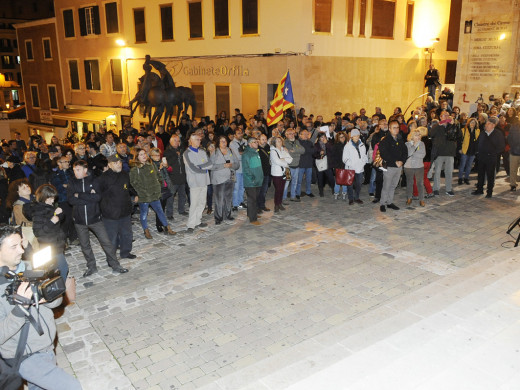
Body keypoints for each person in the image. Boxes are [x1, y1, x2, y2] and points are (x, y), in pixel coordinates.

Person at [0, 225, 83, 390]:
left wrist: (48, 296)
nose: (21, 250)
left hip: (46, 346)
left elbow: (56, 302)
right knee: (70, 387)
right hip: (24, 354)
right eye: (14, 247)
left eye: (21, 244)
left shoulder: (29, 268)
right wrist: (21, 307)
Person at [67, 160, 128, 277]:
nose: (75, 172)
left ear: (85, 170)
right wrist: (88, 195)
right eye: (74, 170)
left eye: (78, 169)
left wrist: (79, 194)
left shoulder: (94, 180)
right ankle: (91, 266)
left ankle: (115, 265)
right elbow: (71, 199)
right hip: (79, 220)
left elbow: (97, 197)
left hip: (95, 218)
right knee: (85, 245)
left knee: (106, 242)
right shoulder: (72, 182)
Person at [22, 184, 69, 279]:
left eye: (53, 198)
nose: (53, 200)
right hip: (50, 246)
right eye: (50, 198)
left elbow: (56, 218)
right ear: (44, 197)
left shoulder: (48, 207)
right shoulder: (39, 211)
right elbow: (38, 232)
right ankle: (57, 291)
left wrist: (59, 214)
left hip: (56, 244)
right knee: (63, 268)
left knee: (56, 270)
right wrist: (52, 222)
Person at [129, 149, 176, 239]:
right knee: (144, 213)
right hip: (144, 196)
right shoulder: (135, 169)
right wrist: (142, 192)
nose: (144, 156)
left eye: (144, 154)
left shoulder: (151, 165)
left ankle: (167, 227)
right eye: (141, 154)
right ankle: (146, 230)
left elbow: (158, 176)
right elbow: (133, 183)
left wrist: (158, 187)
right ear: (137, 157)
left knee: (160, 211)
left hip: (154, 194)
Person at [98, 154, 136, 259]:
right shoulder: (103, 178)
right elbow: (98, 194)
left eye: (119, 162)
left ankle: (125, 252)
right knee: (112, 238)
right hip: (111, 213)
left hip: (125, 210)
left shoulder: (124, 174)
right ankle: (111, 258)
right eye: (115, 163)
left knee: (127, 234)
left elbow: (128, 187)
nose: (119, 164)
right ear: (109, 165)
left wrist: (135, 194)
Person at [184, 133, 212, 232]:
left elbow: (210, 164)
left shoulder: (202, 151)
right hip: (194, 182)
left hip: (204, 181)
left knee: (202, 203)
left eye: (200, 140)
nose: (199, 141)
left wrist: (200, 166)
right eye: (197, 140)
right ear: (191, 141)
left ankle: (198, 221)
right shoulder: (187, 153)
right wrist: (203, 169)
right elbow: (192, 168)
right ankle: (191, 224)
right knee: (194, 203)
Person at [472, 117, 506, 198]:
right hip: (481, 157)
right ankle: (479, 189)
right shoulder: (483, 133)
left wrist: (494, 153)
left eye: (488, 124)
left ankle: (489, 191)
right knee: (480, 174)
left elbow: (502, 146)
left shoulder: (498, 134)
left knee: (490, 175)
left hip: (491, 158)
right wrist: (477, 152)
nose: (486, 125)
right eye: (486, 124)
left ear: (493, 125)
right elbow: (477, 143)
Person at [429, 110, 460, 196]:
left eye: (447, 115)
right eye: (444, 115)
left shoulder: (452, 125)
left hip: (450, 152)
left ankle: (448, 189)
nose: (445, 117)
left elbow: (459, 135)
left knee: (449, 172)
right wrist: (439, 125)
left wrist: (454, 125)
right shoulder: (437, 125)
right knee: (437, 171)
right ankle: (436, 188)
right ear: (440, 117)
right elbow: (430, 134)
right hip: (439, 152)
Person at [379, 119, 408, 212]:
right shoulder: (385, 140)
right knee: (386, 186)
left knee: (393, 186)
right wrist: (394, 161)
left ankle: (389, 202)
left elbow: (405, 151)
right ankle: (382, 203)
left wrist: (402, 161)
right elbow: (384, 154)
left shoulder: (400, 138)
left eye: (397, 128)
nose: (396, 130)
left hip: (399, 166)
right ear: (389, 129)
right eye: (394, 128)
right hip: (390, 166)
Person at [209, 136, 239, 225]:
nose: (224, 143)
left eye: (225, 141)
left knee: (228, 198)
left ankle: (228, 215)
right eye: (221, 141)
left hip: (230, 178)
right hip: (218, 180)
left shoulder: (231, 151)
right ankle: (218, 217)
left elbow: (237, 165)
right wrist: (223, 165)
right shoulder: (215, 152)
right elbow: (211, 166)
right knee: (219, 199)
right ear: (218, 143)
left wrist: (231, 165)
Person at [51, 156, 77, 246]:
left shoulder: (71, 172)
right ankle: (63, 240)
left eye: (68, 162)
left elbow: (74, 184)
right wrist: (69, 186)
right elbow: (59, 187)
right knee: (65, 220)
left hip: (72, 198)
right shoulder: (55, 174)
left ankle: (73, 238)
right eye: (65, 162)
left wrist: (67, 186)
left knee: (74, 218)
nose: (68, 163)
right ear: (59, 163)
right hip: (62, 199)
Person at [163, 135, 188, 219]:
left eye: (178, 141)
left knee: (182, 195)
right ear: (171, 142)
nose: (177, 142)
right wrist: (176, 155)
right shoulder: (167, 152)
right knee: (171, 197)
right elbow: (168, 163)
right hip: (173, 178)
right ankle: (169, 214)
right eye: (175, 141)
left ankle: (181, 210)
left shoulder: (182, 150)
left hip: (182, 176)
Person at [241, 137, 264, 225]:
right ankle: (253, 219)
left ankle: (251, 214)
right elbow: (246, 169)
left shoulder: (255, 152)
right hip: (251, 182)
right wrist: (252, 179)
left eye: (256, 142)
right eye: (254, 142)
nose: (256, 143)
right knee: (252, 200)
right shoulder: (246, 154)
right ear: (249, 144)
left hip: (258, 180)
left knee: (255, 199)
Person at [342, 129, 368, 205]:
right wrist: (351, 164)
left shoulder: (362, 145)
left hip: (360, 168)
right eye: (355, 136)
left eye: (358, 135)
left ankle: (356, 197)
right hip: (351, 168)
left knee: (359, 184)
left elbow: (364, 155)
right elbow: (345, 158)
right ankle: (350, 198)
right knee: (350, 184)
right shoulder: (348, 146)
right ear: (352, 136)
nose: (356, 137)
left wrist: (363, 162)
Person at [404, 129, 427, 207]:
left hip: (419, 166)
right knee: (410, 183)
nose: (418, 137)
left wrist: (414, 153)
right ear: (412, 136)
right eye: (416, 135)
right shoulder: (407, 144)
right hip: (408, 166)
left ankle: (421, 199)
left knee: (420, 183)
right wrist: (414, 146)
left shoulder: (422, 144)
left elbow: (422, 155)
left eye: (419, 135)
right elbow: (408, 153)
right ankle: (409, 198)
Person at [269, 136, 292, 213]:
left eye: (280, 141)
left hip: (284, 172)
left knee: (282, 189)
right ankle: (276, 205)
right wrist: (285, 162)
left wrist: (283, 159)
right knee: (278, 189)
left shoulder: (283, 149)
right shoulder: (273, 151)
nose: (279, 142)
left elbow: (290, 159)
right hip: (277, 173)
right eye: (277, 141)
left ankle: (280, 203)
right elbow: (277, 161)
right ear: (274, 143)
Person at [283, 128, 304, 202]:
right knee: (286, 182)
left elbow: (303, 150)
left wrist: (294, 150)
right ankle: (284, 197)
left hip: (296, 165)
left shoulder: (297, 141)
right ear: (286, 135)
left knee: (295, 181)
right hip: (288, 166)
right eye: (290, 134)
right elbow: (288, 152)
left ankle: (293, 196)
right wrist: (296, 151)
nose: (292, 135)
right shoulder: (284, 142)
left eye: (293, 133)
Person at [229, 128, 247, 211]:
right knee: (236, 187)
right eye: (238, 133)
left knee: (242, 187)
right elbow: (236, 156)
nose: (240, 134)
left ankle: (240, 202)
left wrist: (243, 154)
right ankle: (235, 204)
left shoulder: (245, 141)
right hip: (237, 168)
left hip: (245, 167)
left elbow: (247, 153)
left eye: (241, 133)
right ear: (235, 135)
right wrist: (243, 154)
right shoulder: (232, 143)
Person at [458, 118, 480, 185]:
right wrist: (460, 149)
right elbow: (459, 141)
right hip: (465, 150)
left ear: (476, 124)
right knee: (462, 165)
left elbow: (478, 142)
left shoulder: (478, 131)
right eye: (471, 122)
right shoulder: (463, 130)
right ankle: (460, 178)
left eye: (474, 123)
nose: (472, 124)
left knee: (469, 165)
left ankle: (466, 178)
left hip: (473, 151)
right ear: (468, 123)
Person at [313, 133, 335, 197]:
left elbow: (332, 150)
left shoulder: (329, 143)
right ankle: (321, 190)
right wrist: (319, 154)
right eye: (321, 137)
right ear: (319, 138)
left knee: (331, 177)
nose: (323, 138)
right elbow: (314, 154)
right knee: (320, 177)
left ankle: (333, 188)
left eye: (324, 137)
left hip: (328, 163)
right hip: (320, 163)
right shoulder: (316, 145)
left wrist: (326, 144)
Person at [296, 128, 315, 198]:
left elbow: (313, 151)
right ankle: (297, 193)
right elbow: (301, 151)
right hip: (300, 164)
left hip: (309, 163)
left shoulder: (310, 142)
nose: (306, 135)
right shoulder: (297, 142)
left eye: (307, 134)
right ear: (300, 135)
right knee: (299, 180)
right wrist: (307, 150)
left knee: (309, 179)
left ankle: (308, 191)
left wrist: (305, 150)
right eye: (304, 134)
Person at [257, 134, 272, 211]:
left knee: (264, 190)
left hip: (267, 173)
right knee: (258, 191)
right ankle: (257, 207)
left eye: (265, 139)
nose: (265, 141)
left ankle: (262, 205)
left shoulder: (267, 147)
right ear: (258, 140)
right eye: (263, 139)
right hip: (259, 173)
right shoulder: (256, 149)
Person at [331, 132, 348, 200]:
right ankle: (336, 193)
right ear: (338, 138)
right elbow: (333, 157)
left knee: (345, 180)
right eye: (341, 137)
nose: (343, 138)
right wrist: (335, 166)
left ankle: (344, 192)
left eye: (343, 137)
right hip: (338, 165)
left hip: (346, 165)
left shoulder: (347, 145)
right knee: (337, 180)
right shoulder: (335, 146)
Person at [508, 123, 520, 191]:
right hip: (514, 152)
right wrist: (514, 146)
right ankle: (513, 184)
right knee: (513, 169)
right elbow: (509, 138)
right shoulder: (514, 127)